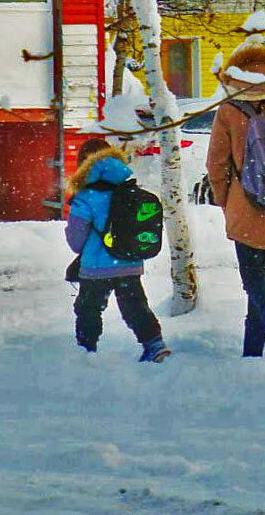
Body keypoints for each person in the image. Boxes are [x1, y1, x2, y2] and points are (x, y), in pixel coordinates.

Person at [207, 43, 265, 358]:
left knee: (253, 283)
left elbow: (216, 164)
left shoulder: (229, 112)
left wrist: (224, 201)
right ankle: (252, 354)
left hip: (243, 205)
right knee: (259, 284)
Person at [64, 138, 170, 362]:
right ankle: (154, 344)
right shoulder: (129, 189)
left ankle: (85, 351)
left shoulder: (85, 197)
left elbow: (76, 241)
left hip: (96, 268)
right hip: (128, 262)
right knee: (135, 306)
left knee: (88, 308)